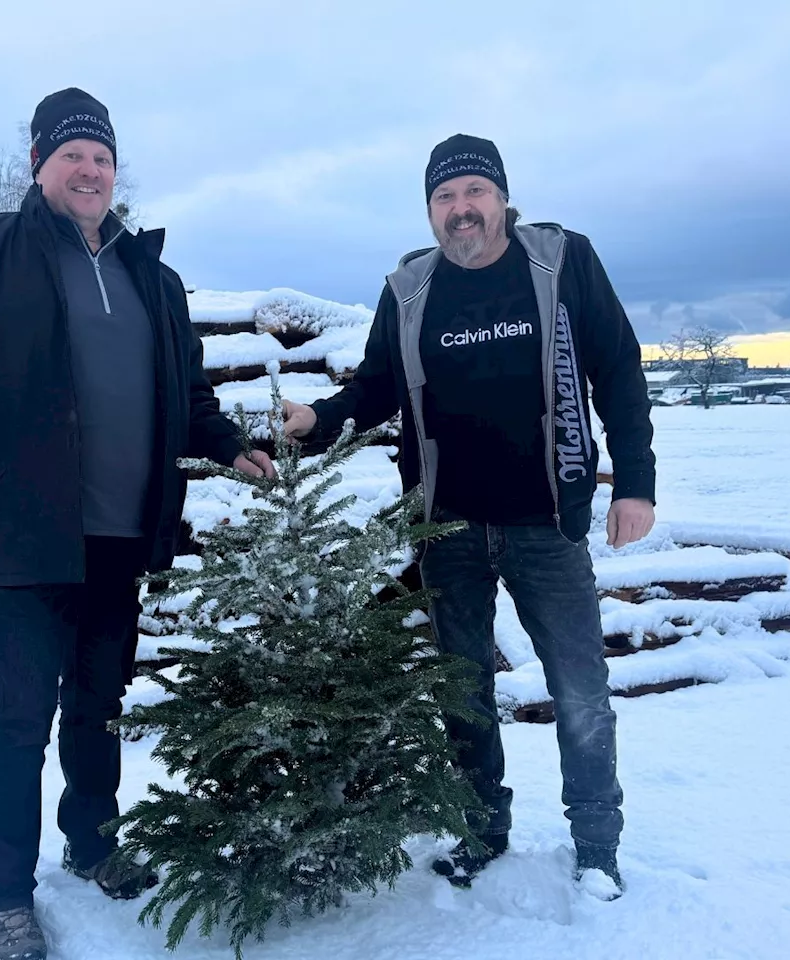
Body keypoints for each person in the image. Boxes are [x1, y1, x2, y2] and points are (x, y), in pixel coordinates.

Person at [0, 87, 275, 960]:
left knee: (96, 706)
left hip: (120, 534)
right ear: (37, 165)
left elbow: (187, 393)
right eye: (71, 156)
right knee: (19, 715)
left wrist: (229, 444)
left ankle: (93, 844)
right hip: (21, 537)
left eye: (101, 157)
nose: (89, 170)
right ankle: (2, 895)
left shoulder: (152, 276)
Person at [280, 134, 656, 900]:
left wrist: (635, 485)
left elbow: (617, 367)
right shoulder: (412, 287)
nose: (461, 210)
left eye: (474, 193)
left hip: (546, 526)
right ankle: (482, 831)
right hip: (446, 527)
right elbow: (378, 387)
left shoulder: (561, 261)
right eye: (445, 198)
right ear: (430, 211)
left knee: (579, 688)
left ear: (502, 199)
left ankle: (596, 846)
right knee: (463, 690)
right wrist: (315, 419)